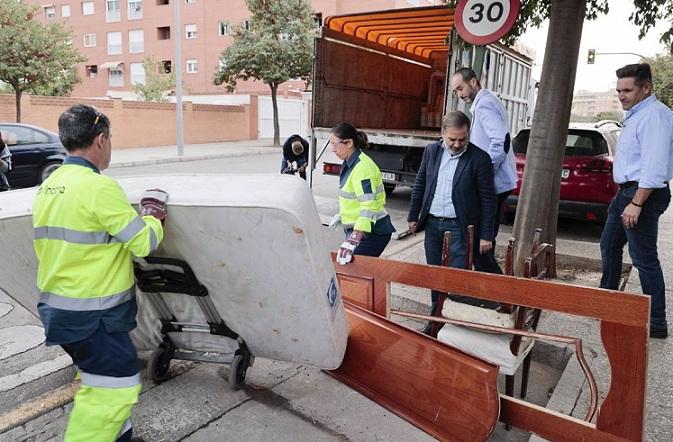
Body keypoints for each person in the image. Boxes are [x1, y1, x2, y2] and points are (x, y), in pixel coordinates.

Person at [32, 104, 168, 441]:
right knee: (114, 389)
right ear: (100, 139)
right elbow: (144, 242)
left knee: (99, 382)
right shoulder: (98, 187)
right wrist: (152, 213)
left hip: (61, 315)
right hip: (94, 318)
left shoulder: (50, 186)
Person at [599, 63, 673, 339]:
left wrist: (638, 203)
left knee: (644, 259)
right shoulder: (638, 114)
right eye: (618, 90)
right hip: (627, 193)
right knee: (609, 246)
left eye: (627, 90)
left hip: (642, 194)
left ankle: (656, 322)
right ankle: (609, 304)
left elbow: (654, 165)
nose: (621, 96)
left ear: (646, 88)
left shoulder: (655, 116)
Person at [407, 111, 498, 332]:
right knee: (435, 275)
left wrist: (486, 235)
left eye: (462, 139)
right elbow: (421, 183)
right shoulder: (432, 152)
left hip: (459, 227)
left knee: (454, 278)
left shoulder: (479, 158)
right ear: (442, 134)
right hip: (433, 225)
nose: (457, 144)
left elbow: (488, 200)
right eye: (452, 139)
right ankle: (436, 322)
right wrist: (413, 216)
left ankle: (448, 327)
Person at [450, 67, 517, 274]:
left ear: (473, 81)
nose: (460, 95)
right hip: (497, 181)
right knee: (484, 240)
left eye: (461, 88)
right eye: (456, 91)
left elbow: (501, 140)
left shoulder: (484, 105)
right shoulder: (487, 101)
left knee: (482, 241)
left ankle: (497, 291)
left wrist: (485, 171)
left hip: (493, 182)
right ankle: (490, 288)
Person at [331, 123, 396, 265]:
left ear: (349, 143)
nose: (332, 149)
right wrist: (343, 216)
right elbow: (353, 198)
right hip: (361, 229)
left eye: (335, 145)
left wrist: (355, 237)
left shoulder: (363, 168)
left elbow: (368, 204)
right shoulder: (349, 162)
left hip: (372, 232)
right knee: (351, 272)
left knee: (353, 271)